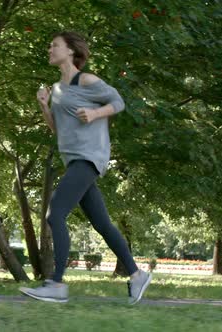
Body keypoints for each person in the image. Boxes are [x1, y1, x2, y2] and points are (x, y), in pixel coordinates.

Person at [19, 31, 151, 304]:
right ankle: (137, 275)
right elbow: (58, 129)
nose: (49, 49)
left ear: (70, 51)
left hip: (89, 157)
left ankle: (56, 284)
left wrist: (95, 113)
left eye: (54, 45)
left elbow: (118, 102)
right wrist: (44, 106)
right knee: (102, 223)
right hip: (73, 157)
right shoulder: (57, 89)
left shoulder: (86, 80)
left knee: (55, 214)